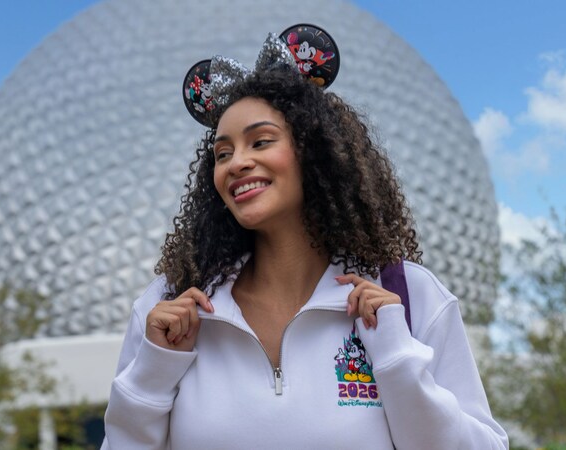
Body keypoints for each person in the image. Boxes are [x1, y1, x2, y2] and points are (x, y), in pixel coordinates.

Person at [101, 26, 508, 449]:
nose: (237, 163)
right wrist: (153, 371)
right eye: (223, 153)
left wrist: (397, 357)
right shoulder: (170, 308)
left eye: (260, 141)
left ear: (313, 151)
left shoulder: (407, 297)